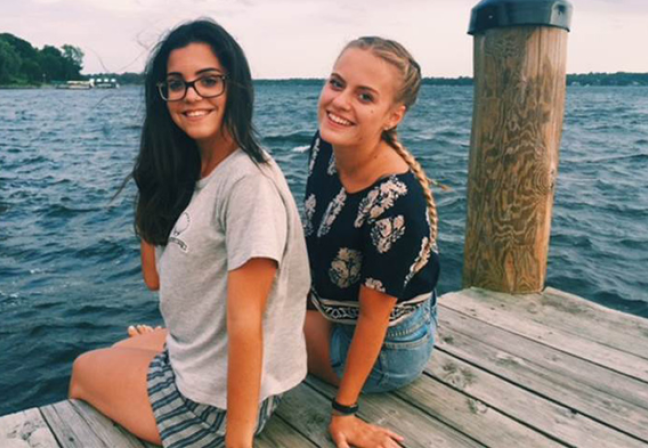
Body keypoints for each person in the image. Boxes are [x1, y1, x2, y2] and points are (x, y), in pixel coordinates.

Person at [68, 19, 310, 448]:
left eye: (208, 81)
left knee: (85, 370)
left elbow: (246, 323)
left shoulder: (246, 184)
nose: (191, 95)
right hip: (196, 361)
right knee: (121, 349)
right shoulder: (195, 169)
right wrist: (152, 179)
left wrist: (238, 442)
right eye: (176, 84)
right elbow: (155, 279)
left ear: (235, 86)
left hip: (214, 408)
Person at [303, 37, 441, 448]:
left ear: (393, 115)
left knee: (261, 336)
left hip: (389, 352)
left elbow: (374, 319)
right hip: (338, 311)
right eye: (336, 83)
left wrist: (344, 414)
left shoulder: (396, 204)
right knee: (252, 303)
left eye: (364, 96)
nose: (340, 102)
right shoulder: (326, 144)